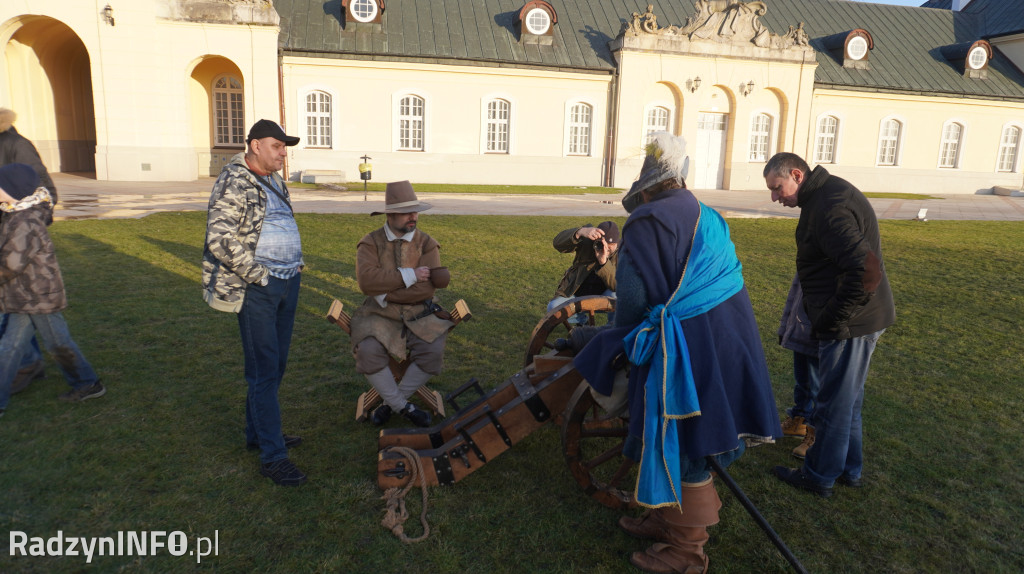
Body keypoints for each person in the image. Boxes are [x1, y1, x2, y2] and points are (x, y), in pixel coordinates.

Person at [574, 132, 780, 573]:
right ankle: (664, 518)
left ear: (646, 188)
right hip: (730, 337)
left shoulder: (646, 222)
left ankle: (686, 552)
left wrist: (619, 338)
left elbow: (630, 297)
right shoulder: (709, 216)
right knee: (686, 435)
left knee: (688, 440)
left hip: (685, 347)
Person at [763, 152, 895, 498]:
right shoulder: (824, 196)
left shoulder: (828, 206)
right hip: (858, 319)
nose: (775, 198)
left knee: (833, 404)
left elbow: (865, 272)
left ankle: (819, 476)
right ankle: (849, 471)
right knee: (846, 401)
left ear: (796, 175)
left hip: (852, 323)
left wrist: (833, 318)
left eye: (778, 189)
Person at [202, 119, 306, 486]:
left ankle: (258, 433)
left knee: (275, 367)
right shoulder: (233, 180)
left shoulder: (274, 180)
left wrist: (295, 264)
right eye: (277, 146)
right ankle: (273, 456)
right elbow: (220, 238)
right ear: (255, 145)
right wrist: (259, 275)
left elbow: (278, 223)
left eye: (284, 147)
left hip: (287, 282)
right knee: (263, 371)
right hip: (258, 289)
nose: (283, 153)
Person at [0, 164, 103, 418]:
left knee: (53, 342)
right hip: (25, 296)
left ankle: (87, 383)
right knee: (12, 346)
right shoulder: (14, 213)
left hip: (37, 296)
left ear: (13, 190)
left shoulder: (25, 221)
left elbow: (11, 264)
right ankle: (87, 383)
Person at [351, 180, 451, 428]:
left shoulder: (427, 242)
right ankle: (404, 407)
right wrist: (410, 276)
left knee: (432, 352)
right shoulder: (370, 242)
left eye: (415, 211)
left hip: (421, 312)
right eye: (407, 212)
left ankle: (391, 404)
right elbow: (367, 282)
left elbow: (427, 288)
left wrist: (385, 292)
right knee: (367, 351)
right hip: (379, 314)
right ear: (390, 214)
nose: (413, 217)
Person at [0, 107, 58, 394]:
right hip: (12, 232)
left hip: (18, 237)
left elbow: (37, 184)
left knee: (21, 324)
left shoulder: (15, 144)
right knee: (39, 329)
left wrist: (33, 216)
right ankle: (30, 362)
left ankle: (83, 379)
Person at [778, 274, 820, 459]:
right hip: (801, 326)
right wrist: (786, 325)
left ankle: (816, 433)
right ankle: (799, 419)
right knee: (802, 379)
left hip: (821, 329)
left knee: (819, 387)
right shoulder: (809, 249)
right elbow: (796, 291)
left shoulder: (833, 251)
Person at [547, 221, 618, 319]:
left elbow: (618, 285)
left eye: (610, 247)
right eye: (602, 244)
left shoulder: (622, 254)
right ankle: (581, 321)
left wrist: (604, 263)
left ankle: (613, 328)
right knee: (553, 307)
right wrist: (579, 232)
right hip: (577, 293)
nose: (605, 249)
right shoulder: (586, 241)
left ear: (617, 244)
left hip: (603, 296)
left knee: (619, 298)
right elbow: (557, 243)